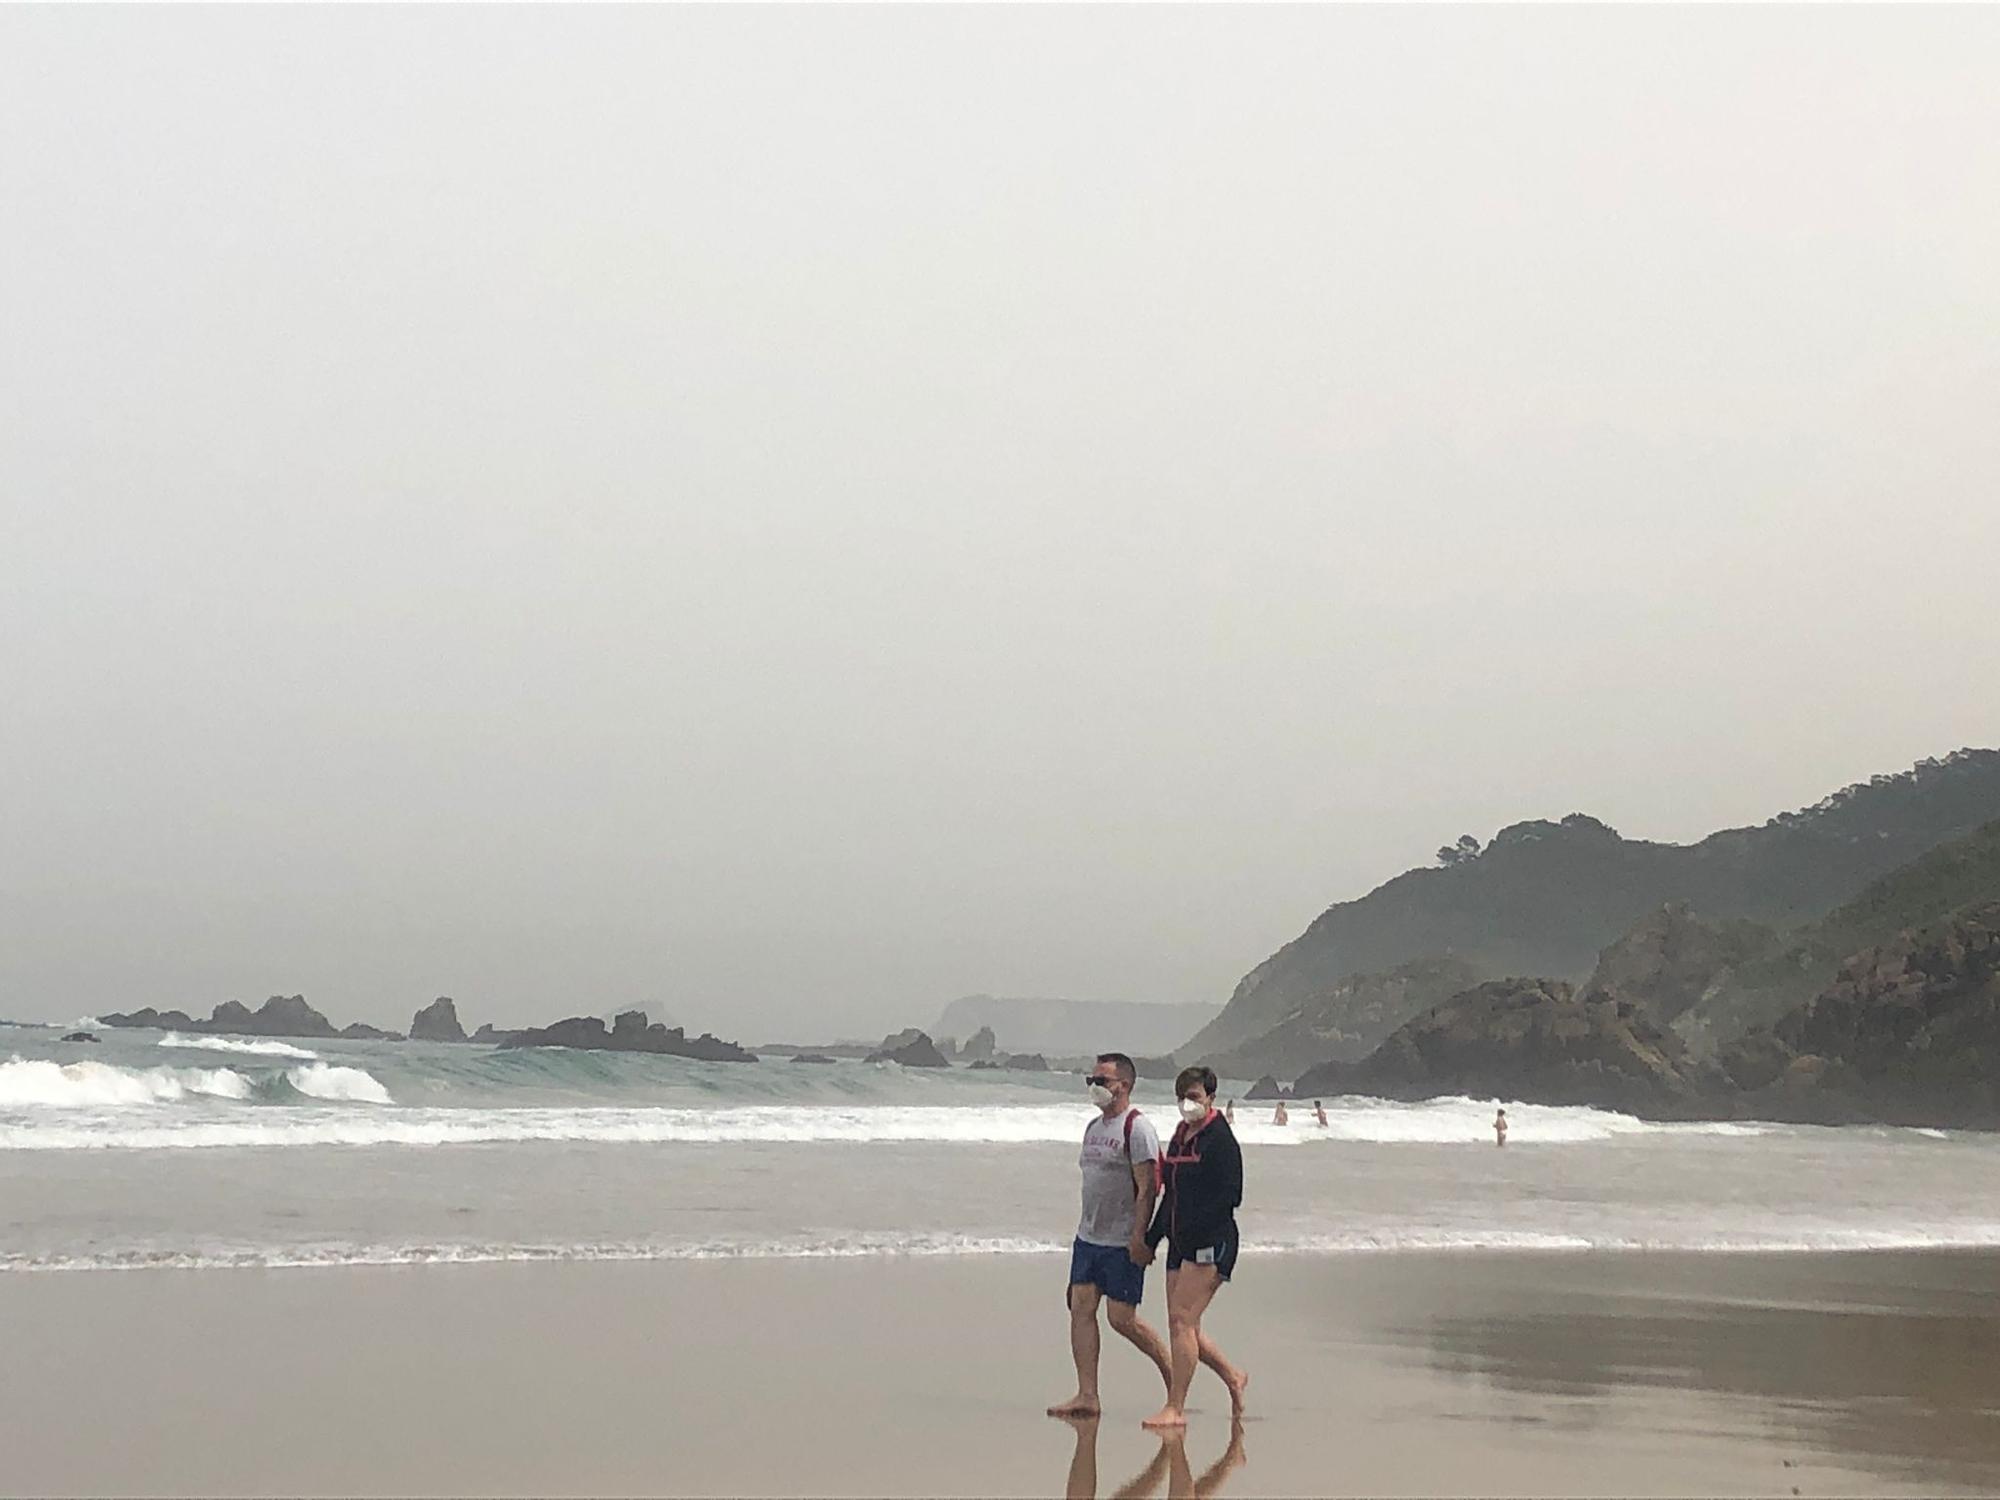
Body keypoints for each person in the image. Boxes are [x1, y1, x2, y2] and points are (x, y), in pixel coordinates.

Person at [1049, 1052, 1173, 1418]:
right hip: (1088, 1239)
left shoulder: (1138, 1129)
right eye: (1092, 1081)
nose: (1095, 1087)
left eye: (1101, 1081)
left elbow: (1148, 1188)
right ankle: (1088, 1395)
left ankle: (1174, 1380)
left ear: (1124, 1085)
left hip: (1122, 1242)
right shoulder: (1092, 1128)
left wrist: (1140, 1237)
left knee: (1122, 1319)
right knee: (1080, 1309)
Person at [1143, 1065, 1249, 1429]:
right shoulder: (1180, 1135)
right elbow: (1170, 1193)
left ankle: (1175, 1407)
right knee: (1185, 1326)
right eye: (1182, 1097)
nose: (1187, 1104)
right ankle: (1234, 1376)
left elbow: (1231, 1196)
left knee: (1181, 1321)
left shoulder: (1220, 1140)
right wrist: (1152, 1238)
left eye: (1194, 1097)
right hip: (1178, 1244)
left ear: (1211, 1098)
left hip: (1211, 1243)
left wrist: (1197, 1232)